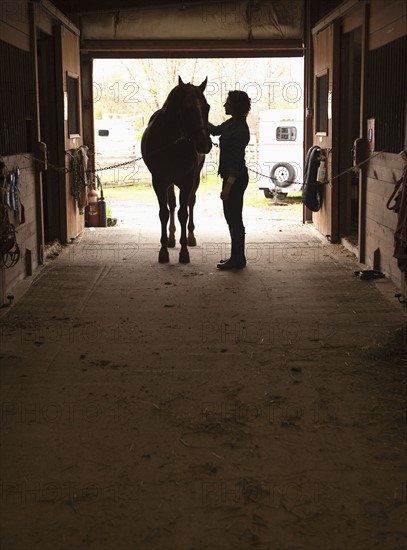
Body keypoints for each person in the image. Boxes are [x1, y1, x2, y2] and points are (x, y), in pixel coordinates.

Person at [208, 90, 251, 270]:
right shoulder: (232, 123)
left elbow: (235, 161)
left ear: (235, 106)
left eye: (228, 102)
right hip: (230, 177)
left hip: (235, 177)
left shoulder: (240, 129)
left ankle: (237, 259)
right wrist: (199, 119)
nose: (225, 105)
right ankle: (237, 256)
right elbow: (216, 130)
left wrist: (228, 186)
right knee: (231, 217)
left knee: (234, 218)